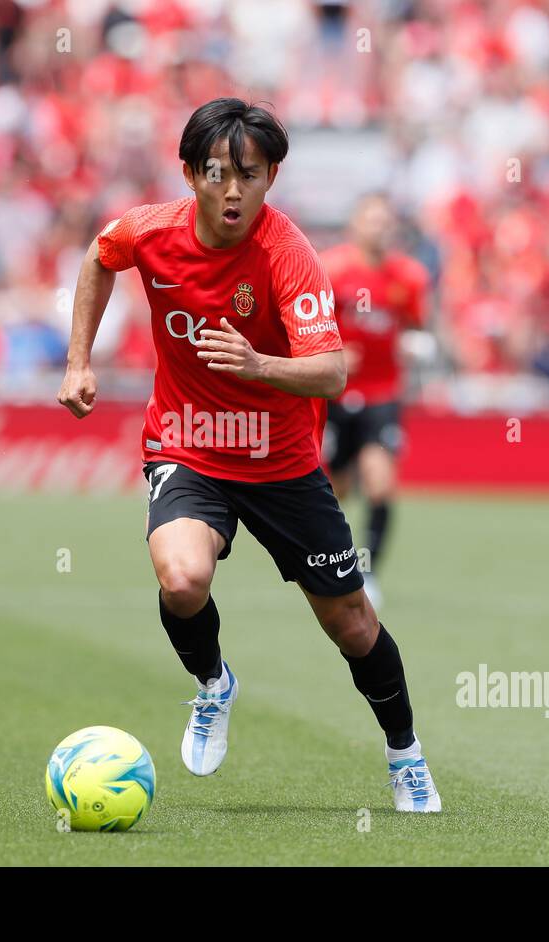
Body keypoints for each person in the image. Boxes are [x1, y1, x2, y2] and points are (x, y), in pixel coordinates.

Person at [56, 98, 441, 811]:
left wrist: (258, 364)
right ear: (190, 174)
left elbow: (332, 372)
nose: (233, 190)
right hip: (188, 446)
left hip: (283, 464)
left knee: (352, 625)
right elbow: (100, 256)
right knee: (181, 580)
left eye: (250, 175)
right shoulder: (150, 230)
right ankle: (213, 684)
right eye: (217, 173)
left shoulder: (289, 255)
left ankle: (405, 754)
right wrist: (79, 359)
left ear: (271, 178)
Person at [322, 194, 430, 609]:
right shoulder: (332, 270)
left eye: (386, 221)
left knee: (380, 482)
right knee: (337, 490)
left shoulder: (409, 277)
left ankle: (367, 573)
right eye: (372, 220)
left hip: (383, 395)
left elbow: (416, 325)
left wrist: (413, 345)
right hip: (335, 393)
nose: (379, 228)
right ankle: (332, 564)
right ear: (355, 225)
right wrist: (334, 354)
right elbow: (309, 324)